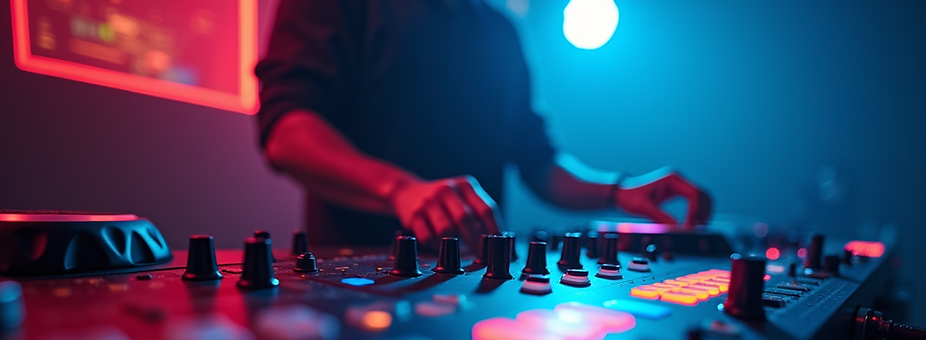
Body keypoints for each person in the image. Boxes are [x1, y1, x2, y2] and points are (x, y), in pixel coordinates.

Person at [255, 0, 711, 249]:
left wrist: (617, 190)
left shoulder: (499, 30)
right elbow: (288, 132)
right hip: (356, 277)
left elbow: (539, 161)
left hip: (479, 279)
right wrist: (402, 190)